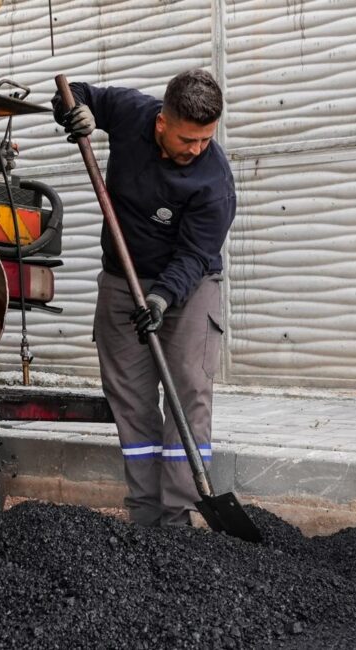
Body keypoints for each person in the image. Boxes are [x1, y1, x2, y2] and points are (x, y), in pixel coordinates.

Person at [52, 69, 236, 527]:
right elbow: (76, 94)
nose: (196, 150)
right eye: (187, 139)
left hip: (187, 288)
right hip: (121, 280)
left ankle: (177, 516)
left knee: (188, 390)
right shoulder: (133, 112)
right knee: (131, 398)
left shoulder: (214, 182)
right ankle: (144, 515)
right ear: (161, 122)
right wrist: (74, 114)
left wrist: (159, 299)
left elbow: (195, 255)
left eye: (205, 140)